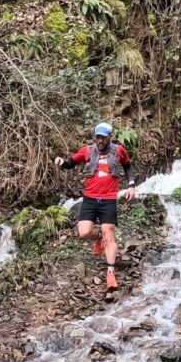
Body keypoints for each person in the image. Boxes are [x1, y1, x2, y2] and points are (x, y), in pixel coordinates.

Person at [54, 122, 136, 290]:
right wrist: (62, 162)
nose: (99, 140)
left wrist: (131, 185)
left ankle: (111, 272)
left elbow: (127, 166)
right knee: (83, 232)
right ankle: (97, 236)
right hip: (90, 198)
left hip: (108, 199)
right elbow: (71, 163)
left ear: (110, 137)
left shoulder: (118, 150)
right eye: (97, 137)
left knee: (109, 234)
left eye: (103, 137)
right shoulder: (87, 151)